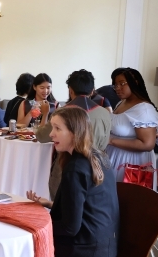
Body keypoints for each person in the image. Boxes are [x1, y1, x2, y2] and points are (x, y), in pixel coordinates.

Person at [26, 106, 119, 257]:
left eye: (57, 128)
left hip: (86, 252)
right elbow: (89, 207)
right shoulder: (98, 156)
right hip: (105, 247)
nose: (50, 134)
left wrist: (35, 224)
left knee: (24, 244)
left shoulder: (76, 167)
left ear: (74, 133)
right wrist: (49, 203)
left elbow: (70, 228)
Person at [41, 69, 112, 200]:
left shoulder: (63, 112)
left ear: (70, 90)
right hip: (97, 166)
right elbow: (106, 142)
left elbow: (42, 136)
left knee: (62, 206)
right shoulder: (105, 114)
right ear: (92, 91)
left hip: (66, 165)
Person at [105, 68, 158, 186]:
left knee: (127, 199)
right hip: (115, 158)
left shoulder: (144, 109)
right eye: (115, 85)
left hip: (131, 164)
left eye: (122, 83)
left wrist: (111, 141)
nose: (117, 88)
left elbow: (148, 144)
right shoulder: (122, 102)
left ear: (135, 82)